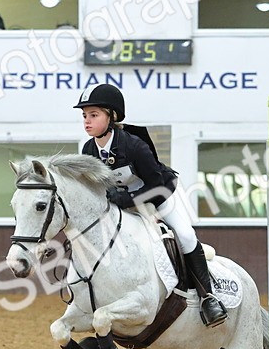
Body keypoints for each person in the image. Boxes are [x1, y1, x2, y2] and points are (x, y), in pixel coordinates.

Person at [74, 84, 227, 327]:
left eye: (94, 115)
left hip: (158, 198)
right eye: (84, 116)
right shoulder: (89, 149)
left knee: (186, 236)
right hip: (123, 207)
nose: (87, 121)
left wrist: (128, 200)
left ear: (111, 117)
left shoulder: (134, 146)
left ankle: (209, 298)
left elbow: (157, 186)